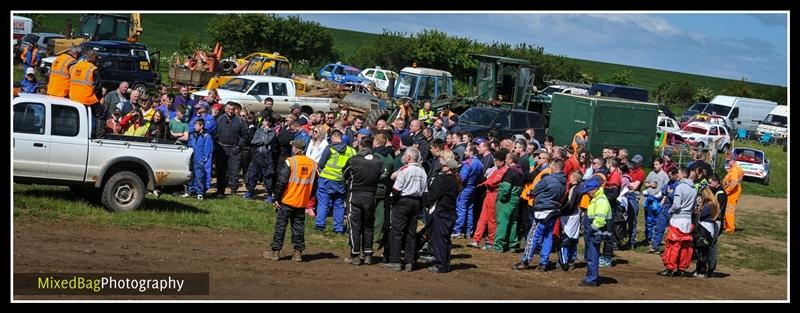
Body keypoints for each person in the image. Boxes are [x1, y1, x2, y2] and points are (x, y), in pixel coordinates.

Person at [266, 140, 318, 263]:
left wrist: (276, 198)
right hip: (301, 202)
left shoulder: (290, 162)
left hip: (287, 200)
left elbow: (282, 182)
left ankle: (275, 252)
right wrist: (307, 198)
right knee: (298, 227)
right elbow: (314, 186)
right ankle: (298, 253)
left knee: (280, 226)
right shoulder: (313, 164)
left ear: (296, 149)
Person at [514, 159, 566, 271]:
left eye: (552, 166)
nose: (550, 168)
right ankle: (544, 263)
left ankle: (525, 260)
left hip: (542, 211)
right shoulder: (563, 181)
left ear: (556, 168)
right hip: (553, 211)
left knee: (533, 235)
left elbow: (536, 188)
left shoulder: (549, 179)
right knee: (548, 237)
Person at [343, 137, 385, 266]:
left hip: (354, 195)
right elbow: (381, 175)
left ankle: (355, 255)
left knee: (354, 225)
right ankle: (368, 254)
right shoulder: (379, 161)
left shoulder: (354, 160)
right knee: (368, 226)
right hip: (370, 196)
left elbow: (345, 174)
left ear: (361, 146)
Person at [385, 147, 427, 272]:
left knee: (397, 232)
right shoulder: (422, 171)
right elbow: (425, 190)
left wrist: (393, 200)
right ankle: (409, 262)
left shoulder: (405, 170)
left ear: (408, 158)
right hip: (416, 202)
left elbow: (397, 189)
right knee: (411, 233)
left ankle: (396, 261)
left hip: (403, 201)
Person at [658, 167, 698, 277]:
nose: (678, 175)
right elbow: (694, 206)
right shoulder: (694, 189)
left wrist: (670, 212)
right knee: (685, 246)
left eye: (679, 173)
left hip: (678, 219)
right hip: (688, 220)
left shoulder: (680, 187)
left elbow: (676, 205)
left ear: (683, 175)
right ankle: (682, 269)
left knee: (673, 245)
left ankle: (670, 268)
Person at [315, 130, 357, 233]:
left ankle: (320, 225)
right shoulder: (352, 151)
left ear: (333, 137)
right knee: (339, 204)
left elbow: (320, 164)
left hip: (326, 179)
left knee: (323, 203)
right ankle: (338, 228)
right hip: (341, 181)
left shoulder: (329, 148)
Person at [425, 158, 460, 273]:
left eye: (443, 165)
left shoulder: (447, 180)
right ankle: (445, 263)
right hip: (449, 213)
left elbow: (436, 193)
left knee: (440, 239)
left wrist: (427, 203)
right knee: (445, 240)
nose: (441, 166)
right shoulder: (454, 179)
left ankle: (441, 265)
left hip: (443, 213)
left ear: (448, 168)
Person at [469, 149, 508, 249]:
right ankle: (476, 239)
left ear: (502, 161)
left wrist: (484, 184)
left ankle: (491, 241)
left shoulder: (503, 171)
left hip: (494, 195)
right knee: (482, 218)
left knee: (491, 220)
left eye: (497, 160)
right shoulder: (497, 170)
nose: (495, 162)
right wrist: (482, 184)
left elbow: (492, 182)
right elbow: (489, 180)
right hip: (488, 195)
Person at [579, 176, 611, 287]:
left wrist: (591, 229)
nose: (587, 193)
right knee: (591, 255)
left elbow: (600, 220)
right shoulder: (596, 198)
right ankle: (592, 277)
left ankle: (591, 279)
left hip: (595, 232)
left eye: (588, 191)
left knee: (592, 256)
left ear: (595, 189)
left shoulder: (601, 200)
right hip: (593, 231)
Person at [214, 103, 249, 197]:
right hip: (221, 148)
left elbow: (245, 135)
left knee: (234, 171)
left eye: (232, 109)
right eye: (229, 109)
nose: (230, 111)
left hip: (234, 149)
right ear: (225, 109)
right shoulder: (220, 119)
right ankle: (220, 191)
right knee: (220, 170)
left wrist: (238, 146)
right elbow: (215, 133)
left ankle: (233, 191)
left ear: (235, 110)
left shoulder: (240, 120)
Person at [68, 50, 104, 138]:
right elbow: (98, 87)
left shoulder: (75, 66)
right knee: (101, 113)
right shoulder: (93, 69)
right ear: (94, 59)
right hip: (86, 98)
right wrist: (99, 99)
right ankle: (99, 136)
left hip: (73, 96)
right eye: (97, 59)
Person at [493, 152, 524, 253]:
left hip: (506, 201)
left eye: (506, 158)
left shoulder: (510, 172)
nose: (505, 160)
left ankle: (498, 245)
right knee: (513, 222)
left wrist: (501, 198)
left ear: (511, 160)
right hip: (515, 200)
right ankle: (512, 245)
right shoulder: (520, 172)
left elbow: (505, 188)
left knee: (502, 222)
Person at [452, 145, 484, 239]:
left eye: (466, 151)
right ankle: (469, 231)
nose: (465, 152)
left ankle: (457, 230)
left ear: (471, 152)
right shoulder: (479, 163)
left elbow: (462, 178)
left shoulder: (468, 163)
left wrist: (456, 179)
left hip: (466, 188)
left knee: (461, 208)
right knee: (470, 209)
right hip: (473, 188)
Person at [244, 117, 277, 202]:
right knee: (252, 174)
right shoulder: (258, 131)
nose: (263, 122)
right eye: (264, 121)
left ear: (269, 123)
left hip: (266, 157)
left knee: (267, 175)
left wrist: (266, 132)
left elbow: (267, 141)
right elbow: (253, 141)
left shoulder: (272, 132)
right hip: (256, 155)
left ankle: (269, 195)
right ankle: (250, 191)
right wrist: (262, 140)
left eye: (266, 121)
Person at [558, 171, 584, 271]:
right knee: (573, 238)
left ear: (574, 179)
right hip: (575, 215)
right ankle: (571, 260)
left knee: (566, 239)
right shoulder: (579, 188)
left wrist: (560, 210)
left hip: (569, 216)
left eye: (571, 177)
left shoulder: (574, 188)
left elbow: (570, 204)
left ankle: (564, 263)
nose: (569, 179)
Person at [692, 187, 720, 278]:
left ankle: (702, 271)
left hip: (705, 228)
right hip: (707, 227)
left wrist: (699, 206)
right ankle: (699, 270)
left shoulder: (709, 204)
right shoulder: (713, 203)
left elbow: (700, 214)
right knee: (702, 251)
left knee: (703, 251)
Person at [643, 157, 670, 246]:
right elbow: (646, 183)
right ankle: (648, 237)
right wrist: (650, 184)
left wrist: (662, 200)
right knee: (648, 219)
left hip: (657, 200)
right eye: (654, 164)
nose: (655, 166)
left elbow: (667, 189)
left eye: (657, 164)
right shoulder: (651, 173)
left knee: (656, 220)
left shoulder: (664, 175)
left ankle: (655, 239)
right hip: (649, 198)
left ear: (661, 164)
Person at [186, 119, 214, 200]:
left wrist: (203, 160)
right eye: (194, 125)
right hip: (191, 158)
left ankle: (200, 193)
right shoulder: (192, 135)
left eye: (196, 125)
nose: (194, 127)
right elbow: (189, 146)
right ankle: (190, 191)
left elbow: (208, 150)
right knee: (190, 176)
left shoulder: (206, 136)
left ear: (201, 126)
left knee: (199, 177)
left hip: (199, 159)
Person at [723, 153, 744, 234]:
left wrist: (727, 191)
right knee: (727, 209)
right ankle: (726, 225)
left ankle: (730, 228)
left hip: (732, 192)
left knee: (729, 210)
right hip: (735, 190)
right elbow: (741, 176)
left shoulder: (735, 169)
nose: (727, 163)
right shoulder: (737, 168)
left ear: (733, 160)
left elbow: (734, 182)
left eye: (728, 161)